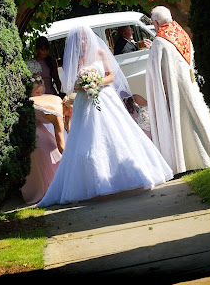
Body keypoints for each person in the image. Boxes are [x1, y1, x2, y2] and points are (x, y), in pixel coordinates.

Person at [36, 25, 173, 208]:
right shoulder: (76, 59)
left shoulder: (100, 52)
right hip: (86, 100)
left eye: (85, 38)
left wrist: (95, 81)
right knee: (87, 138)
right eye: (80, 39)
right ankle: (93, 182)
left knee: (118, 133)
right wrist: (83, 85)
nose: (83, 42)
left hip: (105, 97)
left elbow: (110, 76)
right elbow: (72, 84)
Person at [145, 6, 210, 175]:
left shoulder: (160, 41)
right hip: (191, 86)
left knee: (183, 123)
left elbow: (155, 71)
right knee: (198, 117)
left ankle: (189, 161)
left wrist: (153, 50)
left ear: (155, 22)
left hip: (177, 93)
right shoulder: (181, 33)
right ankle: (208, 156)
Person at [20, 77, 67, 205]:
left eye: (41, 92)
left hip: (40, 132)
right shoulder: (30, 102)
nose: (40, 95)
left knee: (49, 156)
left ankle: (52, 186)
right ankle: (45, 189)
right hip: (34, 134)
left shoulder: (46, 101)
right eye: (37, 92)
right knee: (42, 162)